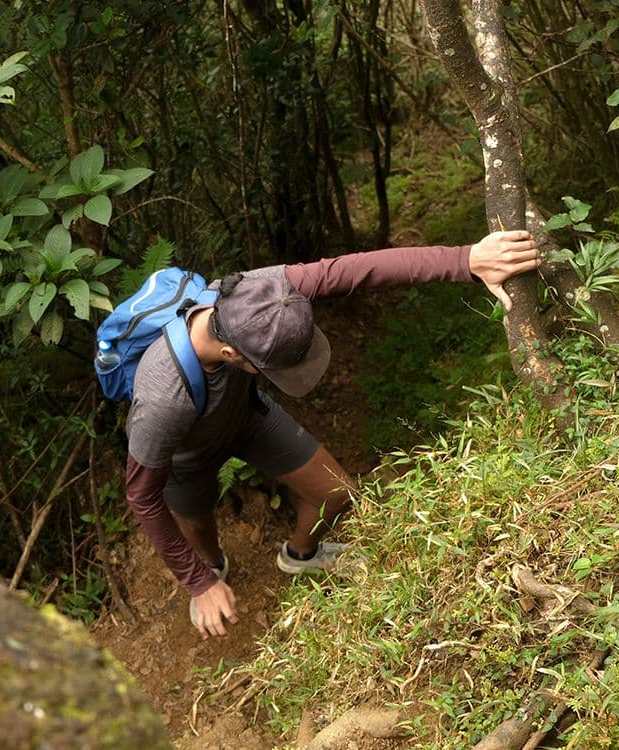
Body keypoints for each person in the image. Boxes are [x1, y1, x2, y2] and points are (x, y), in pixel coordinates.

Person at [123, 230, 541, 638]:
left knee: (337, 492)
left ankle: (300, 556)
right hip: (185, 455)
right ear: (232, 354)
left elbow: (355, 270)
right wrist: (198, 581)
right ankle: (214, 569)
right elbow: (142, 495)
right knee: (198, 525)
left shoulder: (260, 292)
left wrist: (464, 259)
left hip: (246, 417)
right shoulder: (164, 397)